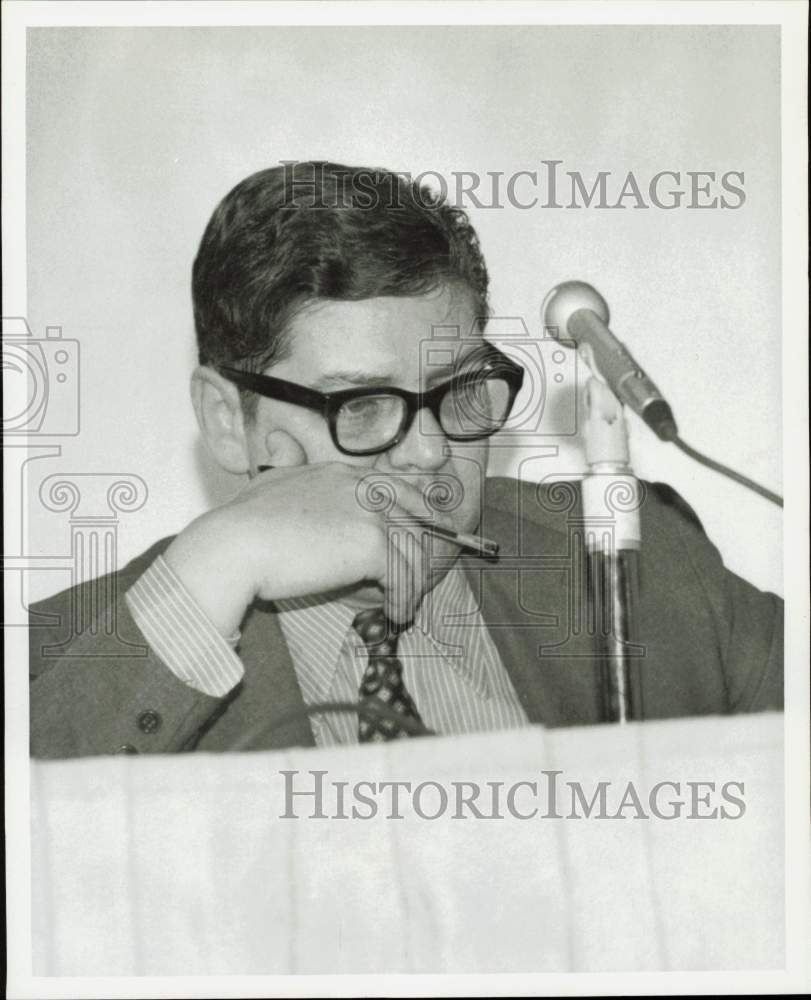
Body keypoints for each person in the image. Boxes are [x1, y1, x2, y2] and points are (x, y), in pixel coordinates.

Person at [29, 162, 783, 759]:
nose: (431, 451)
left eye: (458, 391)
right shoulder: (58, 657)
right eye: (360, 406)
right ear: (231, 422)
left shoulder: (636, 563)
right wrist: (220, 560)